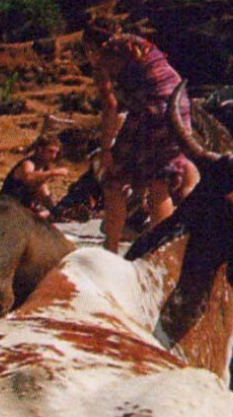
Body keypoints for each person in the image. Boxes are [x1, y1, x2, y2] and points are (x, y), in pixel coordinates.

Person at [83, 19, 200, 251]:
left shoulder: (104, 58)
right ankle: (160, 251)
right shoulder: (136, 43)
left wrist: (107, 150)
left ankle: (112, 248)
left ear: (89, 47)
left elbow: (110, 107)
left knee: (114, 179)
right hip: (179, 105)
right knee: (161, 182)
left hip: (153, 110)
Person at [0, 133, 69, 218]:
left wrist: (55, 210)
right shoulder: (28, 163)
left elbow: (42, 190)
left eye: (55, 153)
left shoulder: (42, 167)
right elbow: (29, 177)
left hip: (24, 207)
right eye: (50, 151)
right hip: (9, 204)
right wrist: (53, 173)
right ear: (40, 149)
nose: (53, 156)